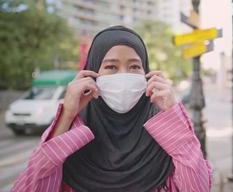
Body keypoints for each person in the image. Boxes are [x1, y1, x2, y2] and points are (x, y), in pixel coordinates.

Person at [11, 26, 212, 192]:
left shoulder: (166, 137)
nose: (123, 76)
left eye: (134, 67)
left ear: (148, 74)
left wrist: (172, 115)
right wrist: (67, 115)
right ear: (92, 74)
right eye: (111, 67)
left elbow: (198, 188)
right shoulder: (69, 138)